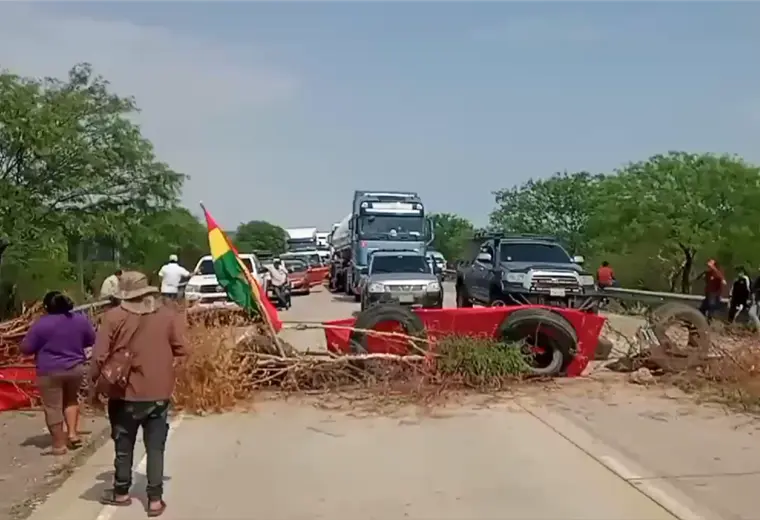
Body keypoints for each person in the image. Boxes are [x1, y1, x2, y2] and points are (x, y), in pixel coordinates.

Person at [89, 271, 187, 517]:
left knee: (124, 446)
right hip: (158, 393)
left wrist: (93, 384)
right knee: (155, 447)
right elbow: (183, 350)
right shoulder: (167, 316)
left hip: (122, 394)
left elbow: (99, 356)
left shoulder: (112, 317)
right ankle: (154, 500)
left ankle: (121, 492)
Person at [21, 291, 95, 455]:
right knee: (71, 400)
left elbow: (26, 348)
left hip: (49, 370)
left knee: (53, 407)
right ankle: (73, 434)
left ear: (46, 307)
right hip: (75, 367)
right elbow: (91, 339)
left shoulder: (41, 324)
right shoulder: (79, 320)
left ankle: (59, 445)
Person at [749, 269, 760, 334]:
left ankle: (757, 328)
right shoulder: (758, 279)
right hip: (757, 300)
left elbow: (753, 289)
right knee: (753, 314)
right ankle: (755, 328)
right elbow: (753, 290)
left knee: (752, 313)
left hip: (757, 300)